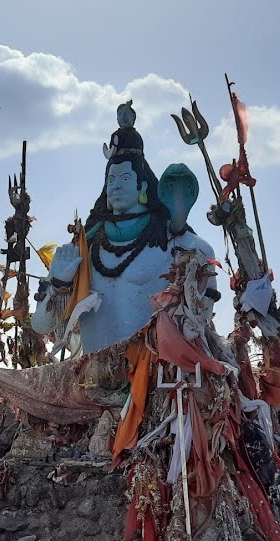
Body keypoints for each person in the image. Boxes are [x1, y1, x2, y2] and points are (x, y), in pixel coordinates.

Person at [31, 100, 215, 353]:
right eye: (111, 179)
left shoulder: (177, 244)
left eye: (125, 178)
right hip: (94, 378)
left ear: (143, 187)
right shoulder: (83, 249)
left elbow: (199, 320)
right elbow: (41, 325)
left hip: (158, 379)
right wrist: (60, 282)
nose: (115, 186)